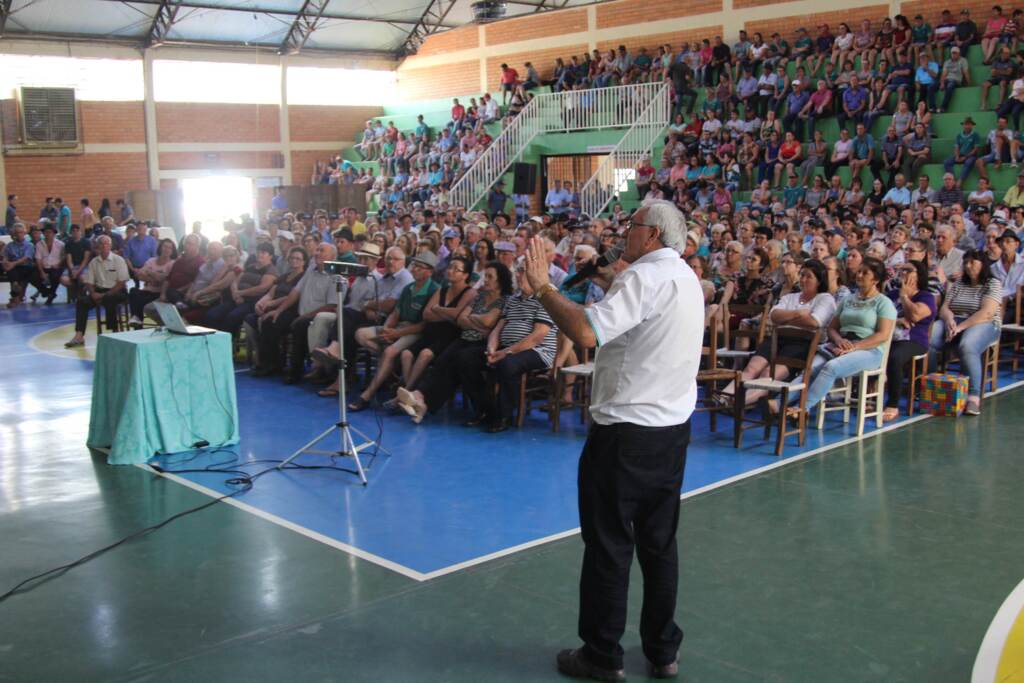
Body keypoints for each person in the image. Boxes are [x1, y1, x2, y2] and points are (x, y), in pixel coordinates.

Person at [521, 199, 702, 681]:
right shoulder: (685, 277)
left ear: (653, 236)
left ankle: (602, 655)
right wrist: (602, 279)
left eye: (633, 225)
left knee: (609, 545)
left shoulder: (645, 278)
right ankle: (664, 651)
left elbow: (583, 330)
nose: (625, 231)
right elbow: (636, 313)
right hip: (671, 434)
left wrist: (542, 286)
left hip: (625, 435)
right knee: (659, 545)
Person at [397, 261, 512, 423]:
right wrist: (477, 323)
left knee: (458, 361)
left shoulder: (505, 300)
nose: (485, 279)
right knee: (442, 362)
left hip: (482, 344)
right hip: (465, 338)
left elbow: (488, 322)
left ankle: (421, 399)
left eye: (490, 277)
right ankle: (420, 398)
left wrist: (473, 320)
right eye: (485, 276)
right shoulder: (480, 297)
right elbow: (461, 319)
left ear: (500, 281)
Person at [787, 256, 897, 419]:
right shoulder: (847, 299)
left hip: (870, 351)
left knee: (831, 368)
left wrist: (854, 347)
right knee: (811, 369)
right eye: (858, 271)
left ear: (876, 279)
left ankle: (802, 408)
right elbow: (832, 328)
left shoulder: (883, 303)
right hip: (841, 345)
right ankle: (778, 404)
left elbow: (882, 335)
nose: (859, 275)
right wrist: (839, 341)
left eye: (865, 273)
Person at [719, 258, 835, 407]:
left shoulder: (825, 299)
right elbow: (774, 317)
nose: (804, 279)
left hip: (802, 344)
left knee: (768, 374)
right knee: (751, 368)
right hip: (777, 338)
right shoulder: (789, 297)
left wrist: (786, 319)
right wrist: (799, 313)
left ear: (819, 281)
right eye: (802, 275)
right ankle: (723, 398)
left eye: (809, 276)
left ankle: (737, 403)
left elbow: (814, 322)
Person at [347, 251, 440, 411]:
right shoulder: (409, 288)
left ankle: (367, 395)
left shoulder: (434, 289)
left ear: (429, 271)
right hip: (398, 326)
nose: (414, 269)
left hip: (414, 331)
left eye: (419, 267)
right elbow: (396, 313)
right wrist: (388, 329)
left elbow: (423, 325)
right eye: (414, 265)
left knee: (390, 351)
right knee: (361, 334)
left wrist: (395, 334)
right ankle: (391, 368)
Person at [928, 250, 1002, 415]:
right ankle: (931, 386)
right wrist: (949, 321)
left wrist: (960, 328)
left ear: (983, 265)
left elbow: (987, 313)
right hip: (956, 321)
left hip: (985, 323)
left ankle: (973, 397)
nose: (968, 266)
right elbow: (945, 308)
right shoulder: (959, 282)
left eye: (972, 263)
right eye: (966, 263)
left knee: (967, 345)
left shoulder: (993, 283)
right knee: (929, 339)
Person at [882, 259, 938, 421]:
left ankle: (892, 404)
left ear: (919, 275)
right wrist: (897, 321)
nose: (903, 272)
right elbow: (878, 317)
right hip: (888, 337)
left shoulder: (926, 297)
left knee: (894, 357)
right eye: (902, 270)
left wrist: (904, 297)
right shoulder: (891, 294)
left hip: (914, 340)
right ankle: (870, 396)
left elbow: (914, 316)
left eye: (908, 270)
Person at [64, 235, 129, 348]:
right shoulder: (94, 262)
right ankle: (79, 335)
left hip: (116, 291)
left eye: (106, 244)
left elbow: (121, 282)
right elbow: (89, 281)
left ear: (110, 246)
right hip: (98, 291)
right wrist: (92, 293)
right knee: (82, 302)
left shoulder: (118, 260)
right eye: (101, 244)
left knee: (110, 299)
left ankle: (114, 332)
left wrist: (104, 294)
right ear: (97, 247)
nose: (104, 246)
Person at [127, 238, 176, 325]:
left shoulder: (172, 263)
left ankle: (137, 318)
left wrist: (150, 272)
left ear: (172, 251)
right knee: (133, 291)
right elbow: (139, 274)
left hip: (159, 293)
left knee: (142, 300)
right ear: (160, 247)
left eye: (169, 248)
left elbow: (164, 279)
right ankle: (137, 317)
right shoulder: (151, 260)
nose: (166, 249)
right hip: (147, 290)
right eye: (165, 246)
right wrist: (152, 278)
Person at [2, 223, 38, 307]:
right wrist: (5, 263)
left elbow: (26, 258)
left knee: (16, 270)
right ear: (14, 234)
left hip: (25, 266)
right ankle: (16, 295)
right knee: (11, 270)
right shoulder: (9, 245)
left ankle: (14, 297)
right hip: (13, 267)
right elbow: (5, 256)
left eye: (20, 232)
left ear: (24, 233)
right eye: (16, 233)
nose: (18, 234)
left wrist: (12, 264)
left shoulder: (29, 245)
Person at [34, 224, 65, 305]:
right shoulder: (39, 244)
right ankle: (48, 293)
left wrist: (59, 264)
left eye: (50, 232)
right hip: (44, 267)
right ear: (43, 233)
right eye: (46, 232)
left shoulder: (61, 244)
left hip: (56, 267)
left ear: (54, 234)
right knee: (32, 276)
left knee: (56, 275)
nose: (47, 234)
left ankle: (51, 294)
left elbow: (64, 258)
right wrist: (42, 272)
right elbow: (38, 259)